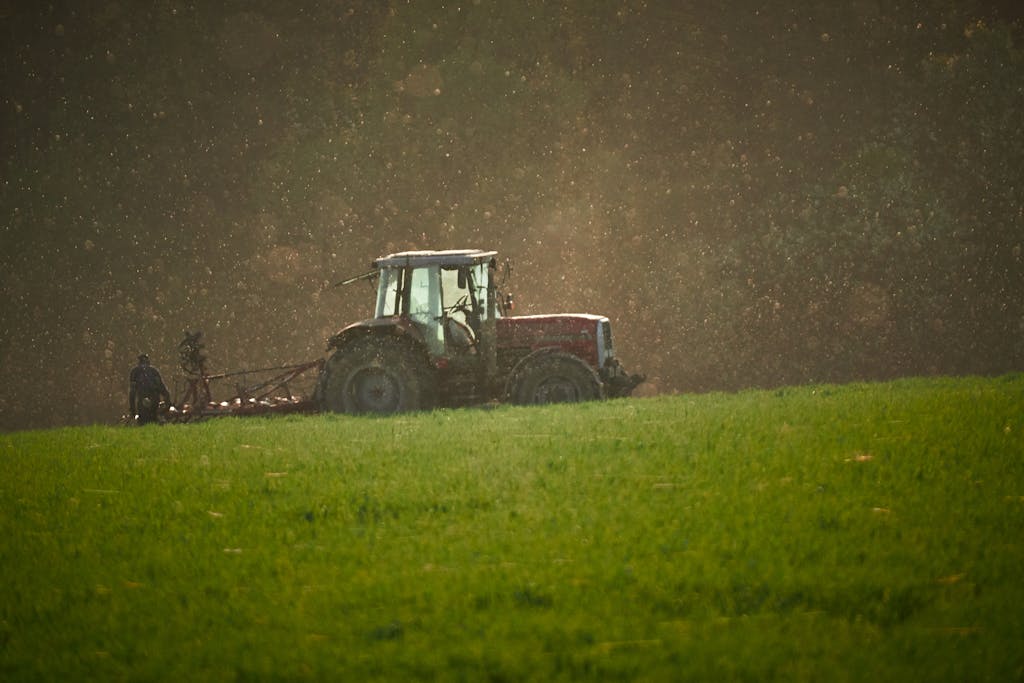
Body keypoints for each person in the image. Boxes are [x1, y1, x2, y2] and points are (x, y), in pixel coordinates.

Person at [129, 354, 171, 425]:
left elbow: (132, 392)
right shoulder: (153, 371)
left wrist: (133, 410)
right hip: (154, 399)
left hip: (143, 401)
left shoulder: (135, 372)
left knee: (144, 423)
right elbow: (161, 387)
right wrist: (167, 401)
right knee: (154, 421)